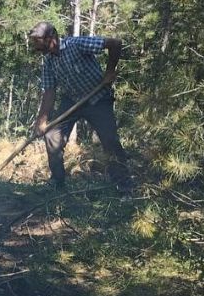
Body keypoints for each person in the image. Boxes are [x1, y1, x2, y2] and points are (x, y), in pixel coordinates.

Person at [28, 21, 131, 191]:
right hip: (72, 102)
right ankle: (57, 183)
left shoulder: (77, 44)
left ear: (51, 38)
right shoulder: (48, 62)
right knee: (52, 136)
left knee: (110, 141)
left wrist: (110, 71)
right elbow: (49, 91)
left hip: (98, 99)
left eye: (37, 41)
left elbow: (115, 43)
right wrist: (41, 120)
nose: (35, 46)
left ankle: (123, 185)